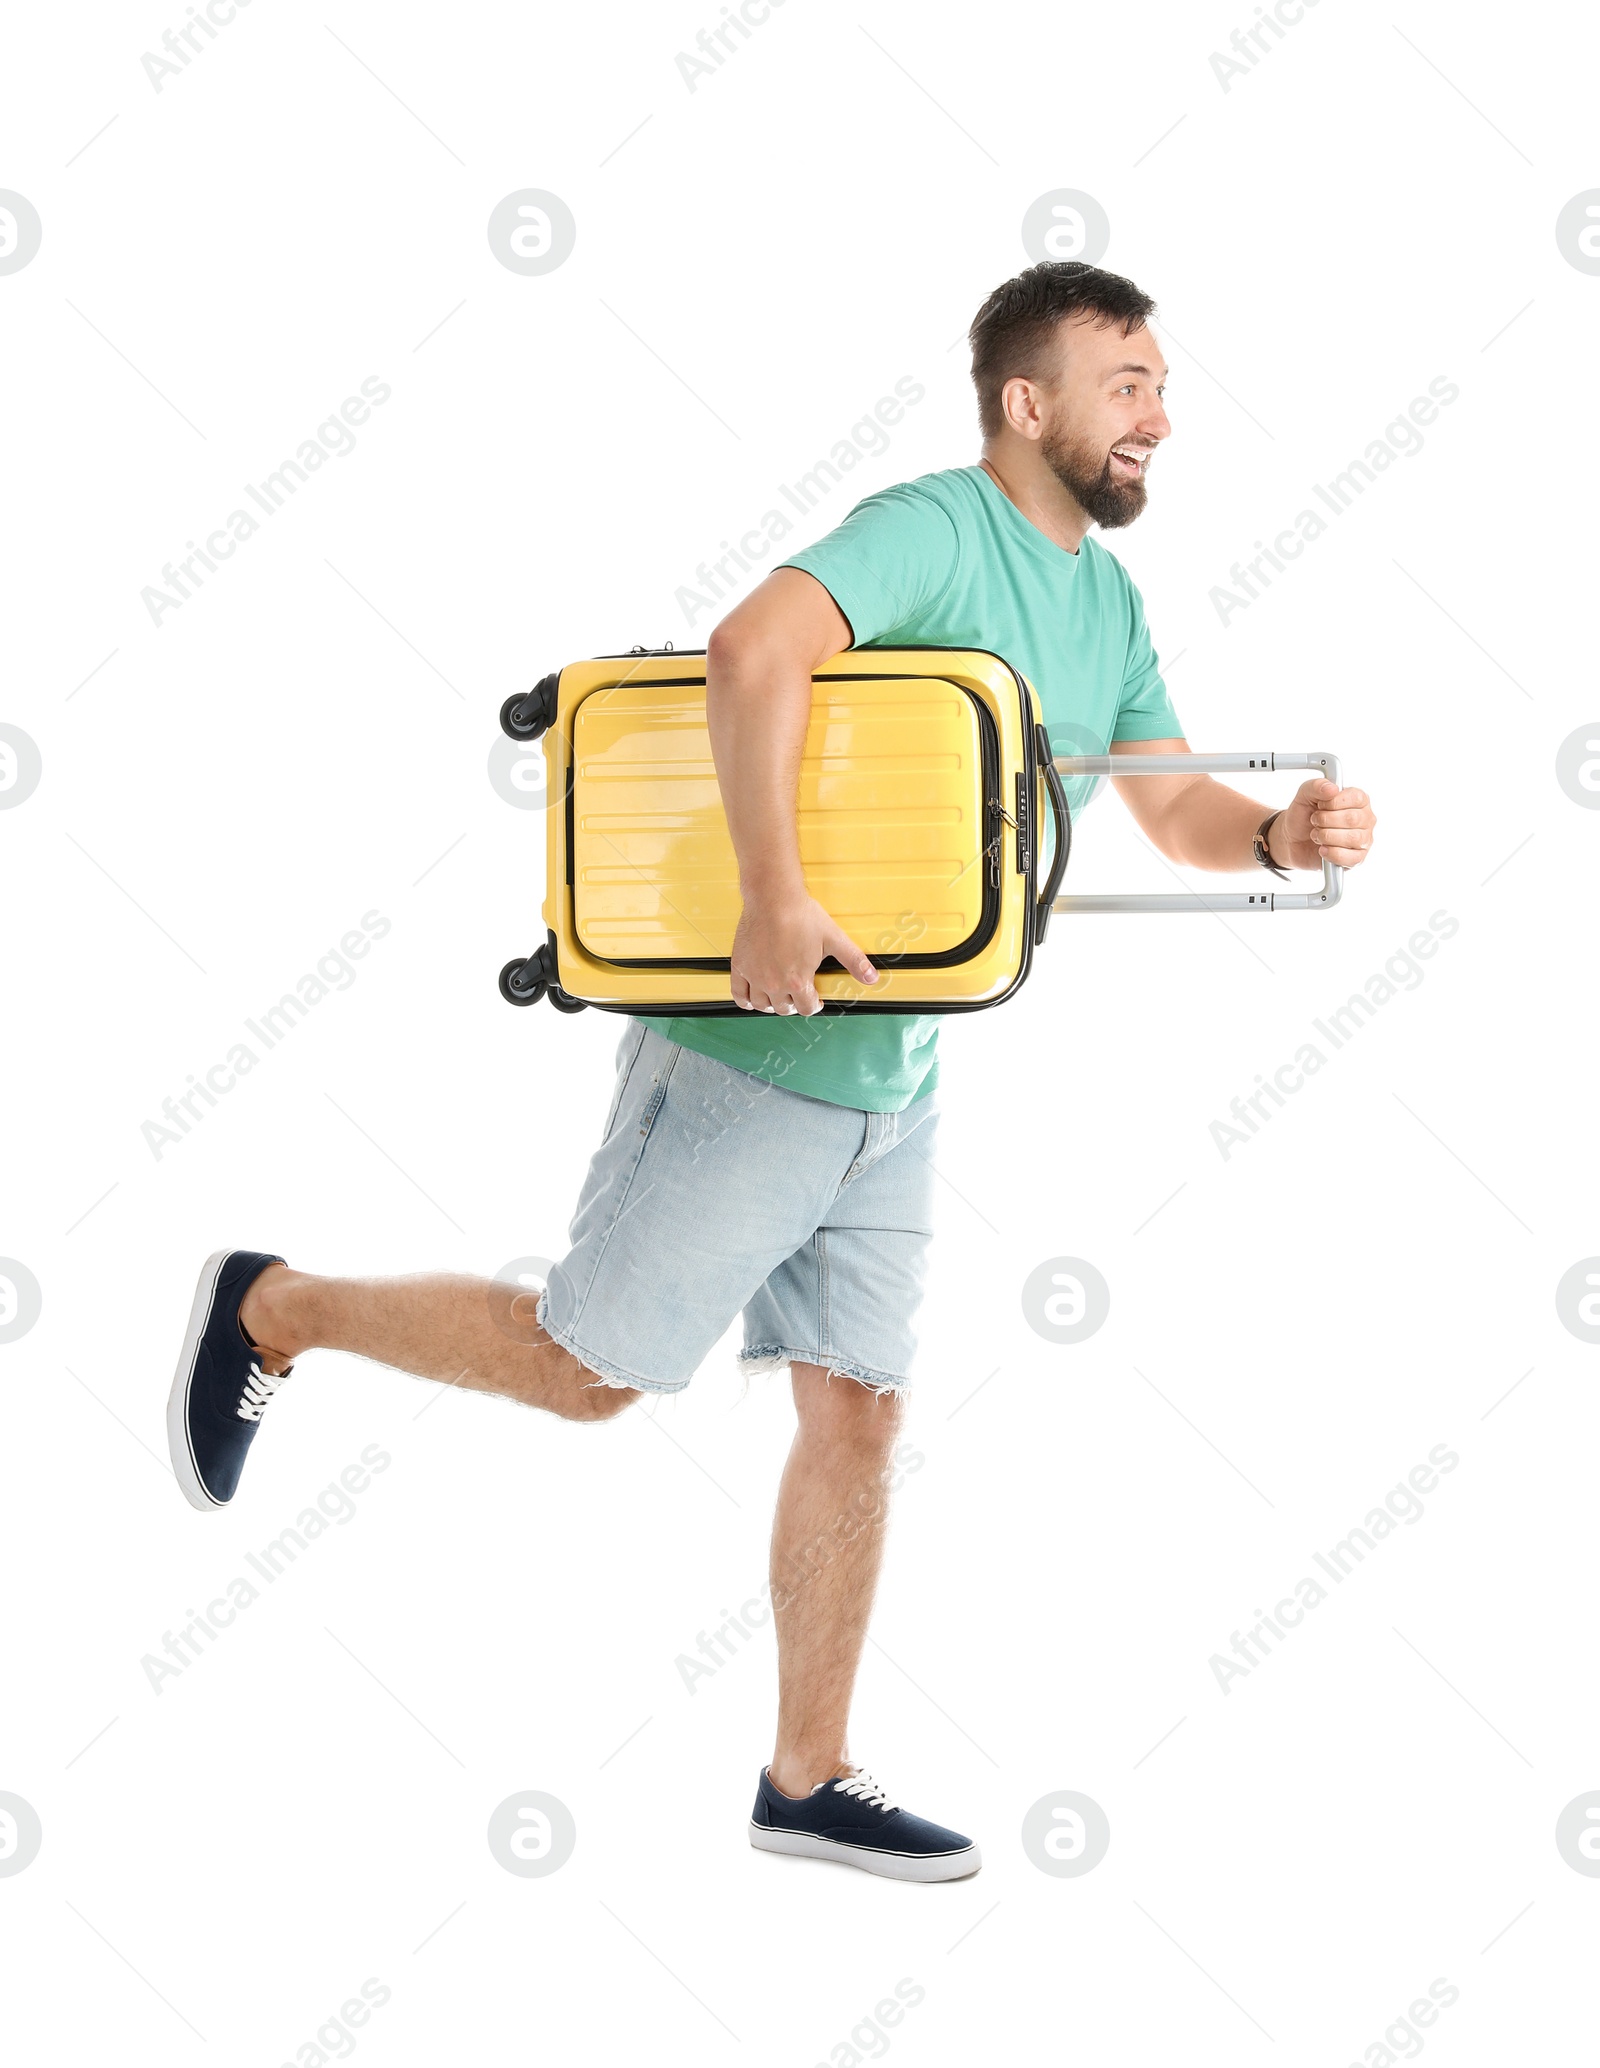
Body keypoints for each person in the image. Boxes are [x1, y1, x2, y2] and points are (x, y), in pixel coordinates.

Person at [166, 260, 1376, 1884]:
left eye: (1161, 383)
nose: (1162, 413)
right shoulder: (936, 527)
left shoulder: (1105, 601)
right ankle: (276, 1306)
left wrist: (1279, 834)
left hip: (899, 1076)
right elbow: (754, 649)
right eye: (1131, 383)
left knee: (859, 1415)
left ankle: (807, 1780)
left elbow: (1165, 803)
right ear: (1031, 404)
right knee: (587, 1372)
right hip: (757, 1052)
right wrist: (772, 897)